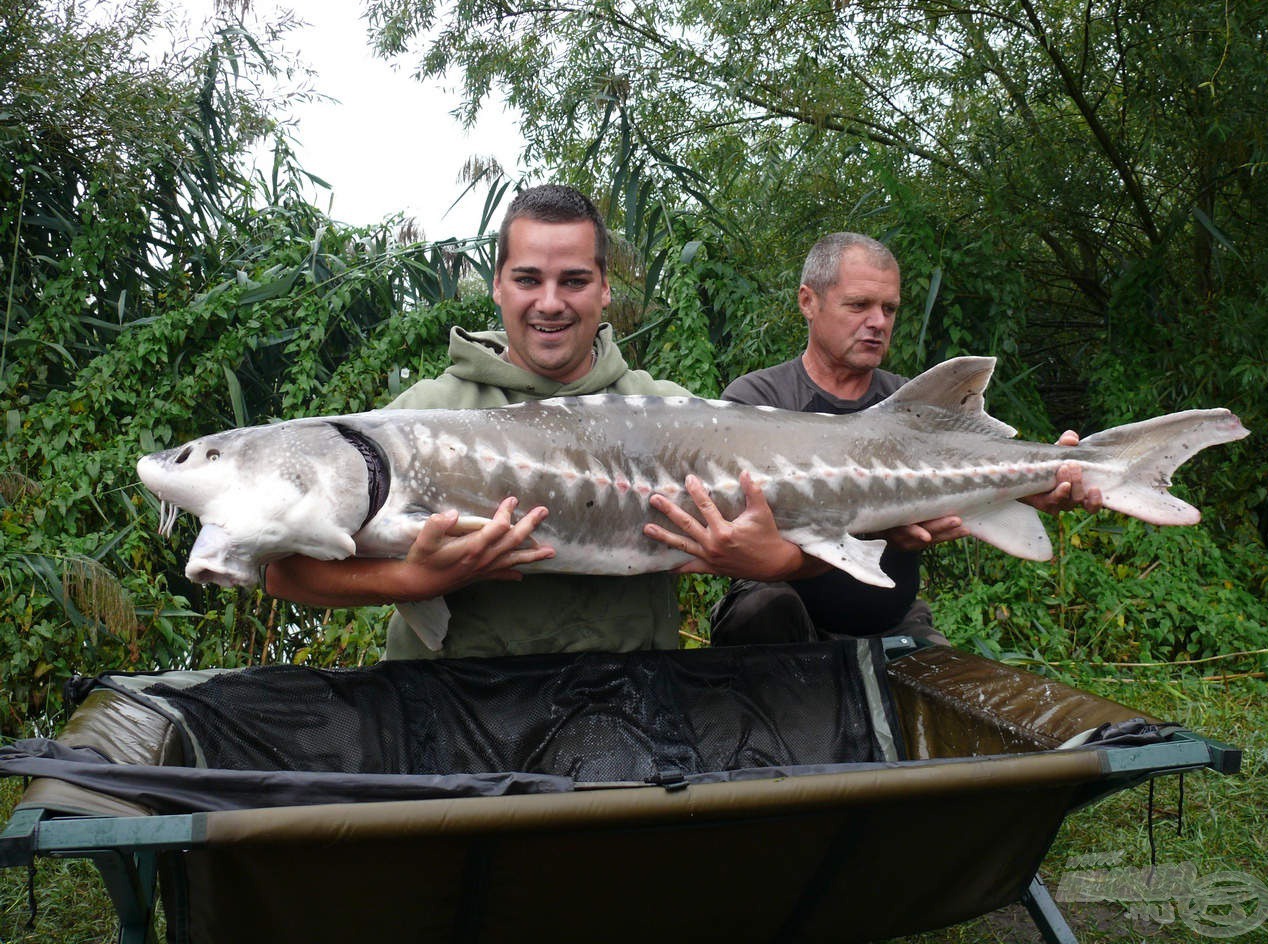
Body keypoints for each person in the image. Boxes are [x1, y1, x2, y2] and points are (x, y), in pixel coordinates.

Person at [264, 184, 798, 659]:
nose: (550, 303)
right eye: (527, 279)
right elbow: (282, 573)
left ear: (604, 288)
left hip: (629, 716)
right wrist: (411, 579)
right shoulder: (423, 415)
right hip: (454, 724)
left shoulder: (670, 412)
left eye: (573, 280)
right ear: (498, 285)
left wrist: (777, 564)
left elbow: (830, 529)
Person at [646, 232, 1101, 648]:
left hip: (892, 622)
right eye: (859, 305)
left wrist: (1041, 487)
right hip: (779, 621)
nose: (878, 322)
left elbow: (974, 483)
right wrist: (883, 529)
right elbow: (747, 539)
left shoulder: (915, 406)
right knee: (763, 612)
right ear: (808, 301)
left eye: (889, 309)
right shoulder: (755, 400)